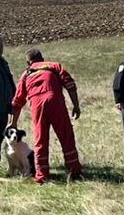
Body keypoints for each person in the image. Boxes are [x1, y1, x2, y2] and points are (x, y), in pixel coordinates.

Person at [10, 49, 84, 184]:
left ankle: (42, 175)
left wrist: (13, 122)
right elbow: (70, 85)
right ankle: (75, 172)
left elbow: (17, 101)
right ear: (42, 58)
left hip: (36, 105)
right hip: (54, 100)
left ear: (28, 62)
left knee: (40, 140)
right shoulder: (54, 65)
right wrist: (76, 105)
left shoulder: (26, 74)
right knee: (66, 136)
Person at [0, 37, 17, 167]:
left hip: (3, 106)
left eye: (1, 46)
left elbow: (9, 82)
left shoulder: (3, 63)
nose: (0, 49)